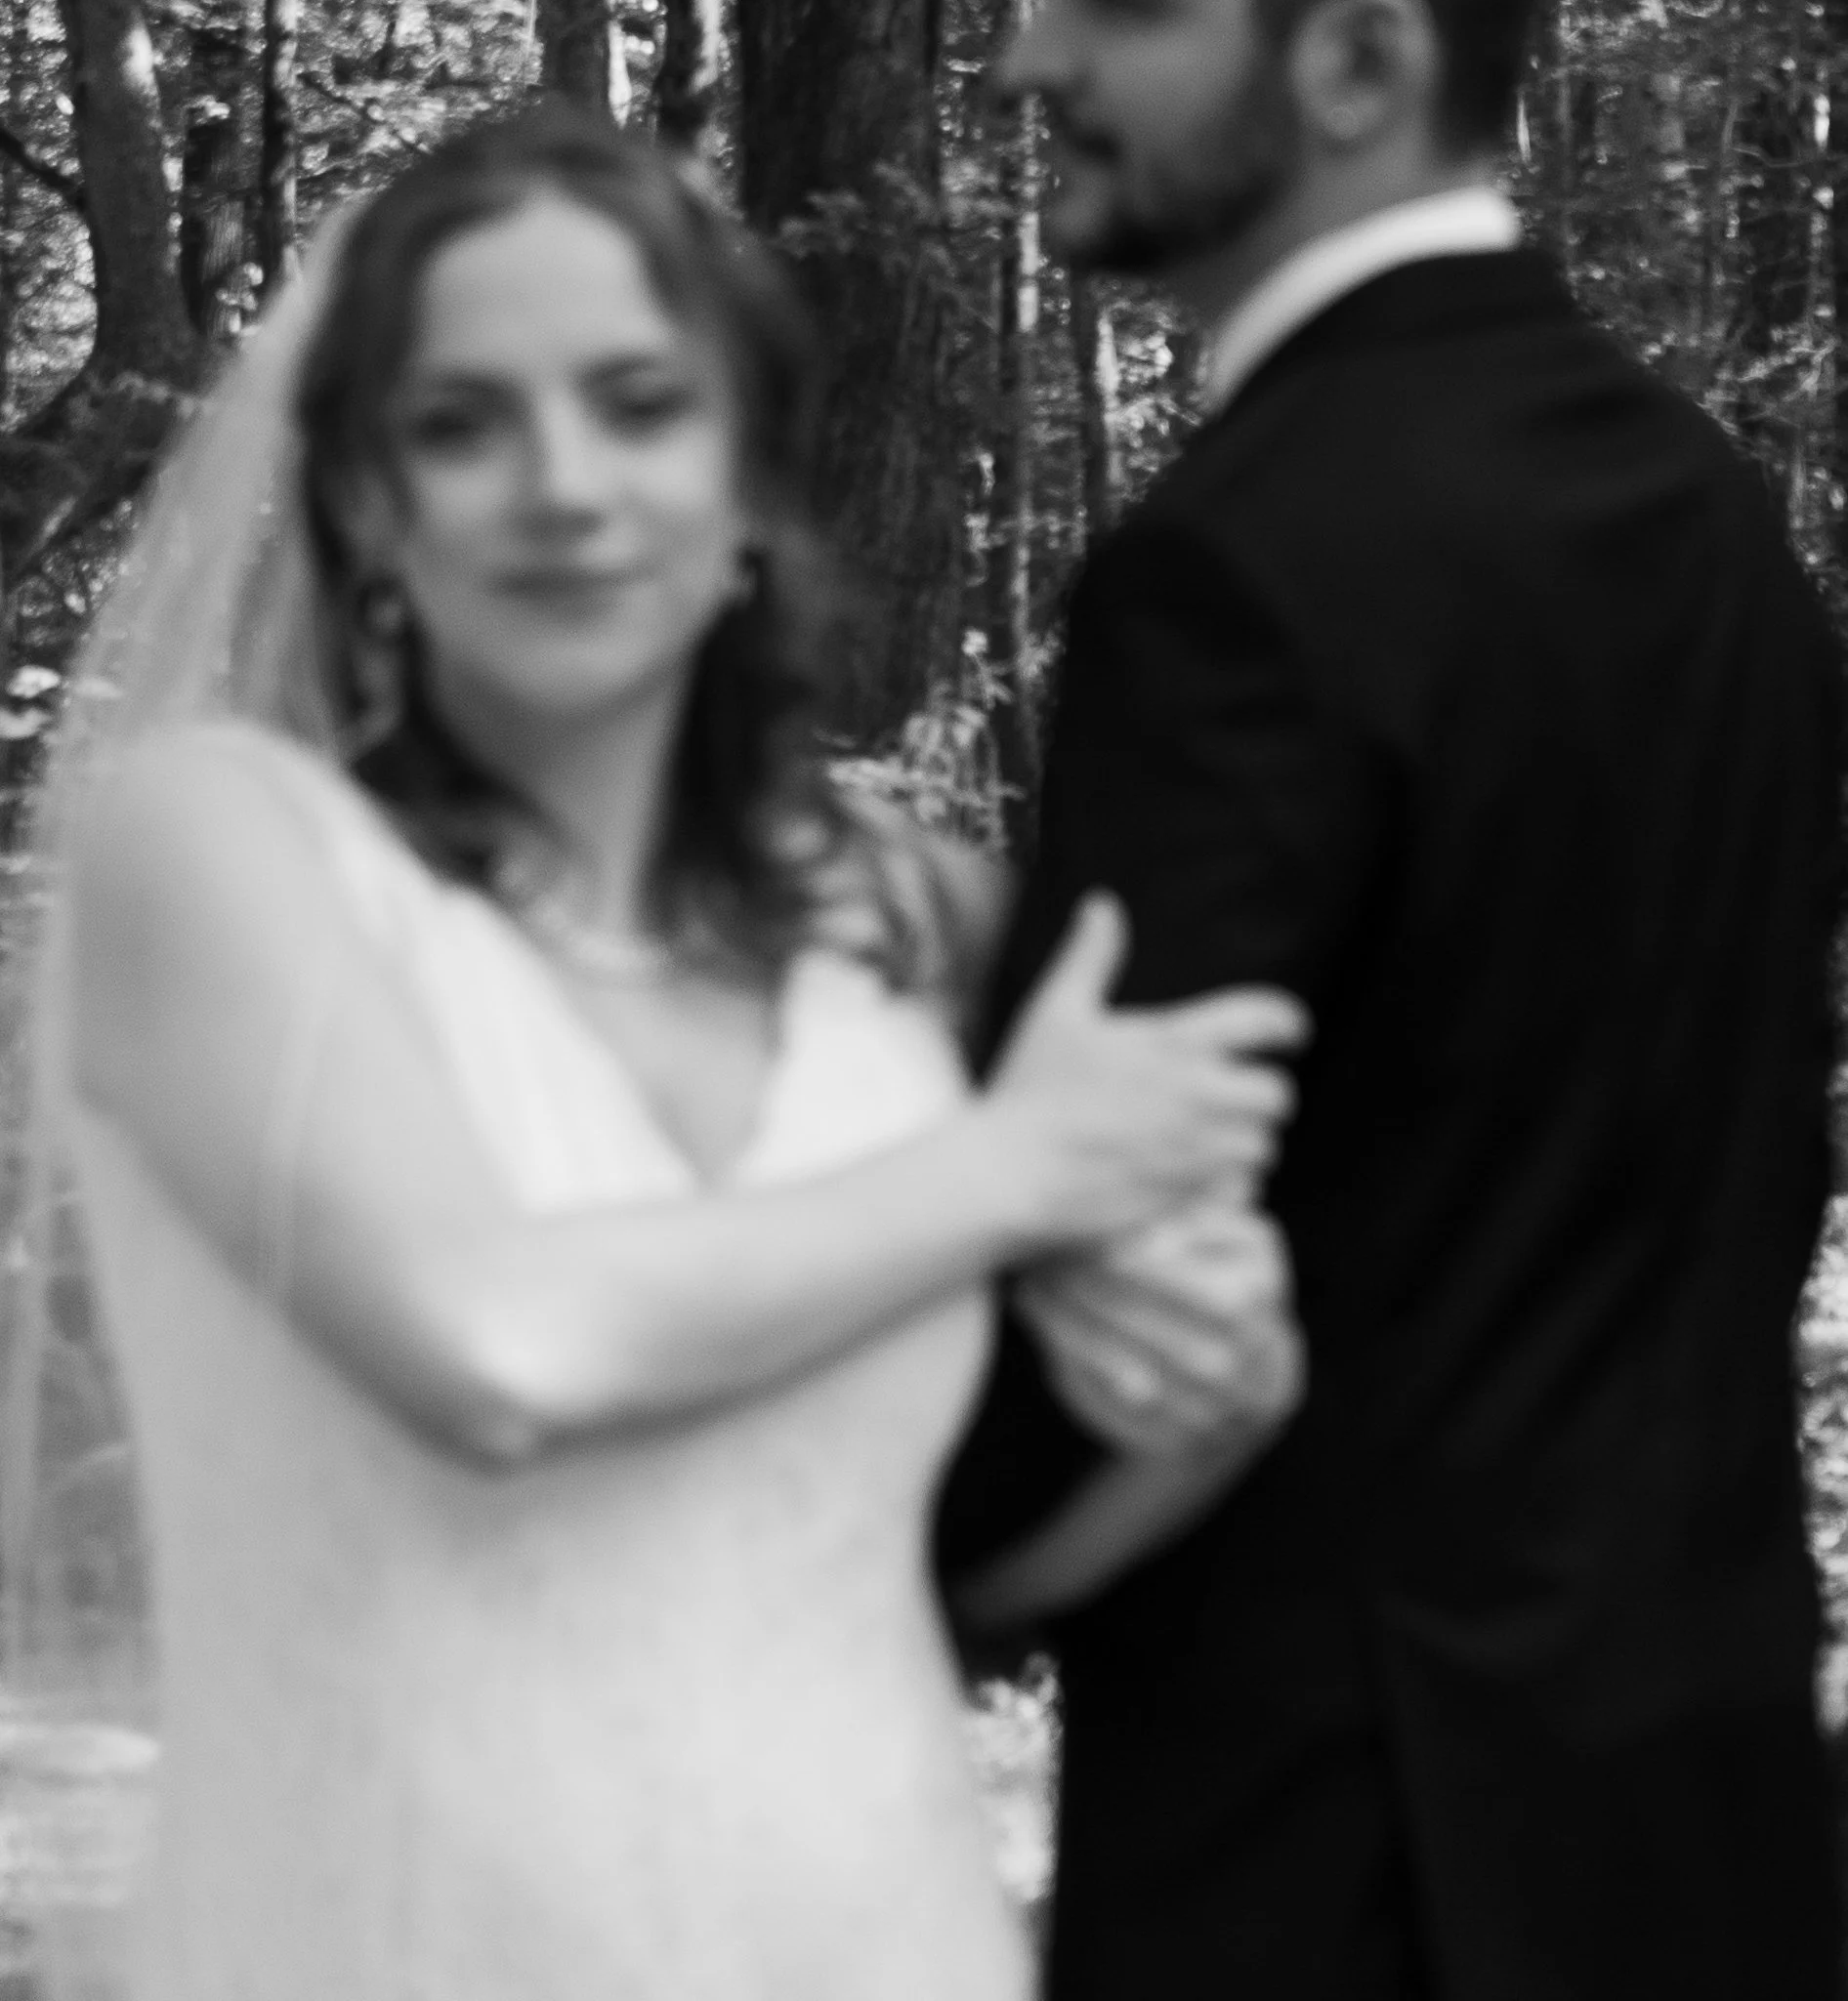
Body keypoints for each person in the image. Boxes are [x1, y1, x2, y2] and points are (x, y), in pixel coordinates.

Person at [20, 104, 1306, 2001]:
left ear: (747, 481)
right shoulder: (219, 858)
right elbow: (498, 1345)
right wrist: (1028, 1162)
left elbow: (917, 1569)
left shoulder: (905, 940)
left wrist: (1211, 1404)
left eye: (638, 405)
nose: (563, 485)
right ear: (365, 507)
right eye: (462, 425)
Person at [936, 0, 1846, 2001]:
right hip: (1713, 1836)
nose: (1031, 58)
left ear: (1354, 59)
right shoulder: (1714, 530)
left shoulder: (1238, 569)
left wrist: (863, 1561)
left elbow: (1117, 1234)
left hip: (1333, 1867)